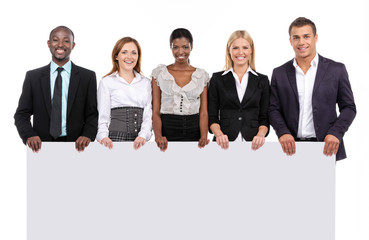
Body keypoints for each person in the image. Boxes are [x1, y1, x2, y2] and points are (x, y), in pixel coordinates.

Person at [269, 17, 356, 160]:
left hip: (324, 147)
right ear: (290, 41)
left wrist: (336, 133)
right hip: (289, 147)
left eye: (306, 36)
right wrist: (282, 132)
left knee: (321, 184)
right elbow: (273, 109)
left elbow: (349, 107)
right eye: (296, 37)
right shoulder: (279, 73)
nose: (301, 42)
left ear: (315, 38)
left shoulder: (336, 70)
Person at [14, 26, 98, 153]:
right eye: (55, 40)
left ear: (73, 45)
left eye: (66, 40)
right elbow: (21, 114)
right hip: (41, 146)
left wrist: (88, 135)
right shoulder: (33, 77)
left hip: (77, 146)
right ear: (49, 44)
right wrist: (29, 135)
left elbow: (92, 114)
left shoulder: (87, 77)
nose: (60, 44)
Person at [208, 30, 270, 150]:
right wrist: (219, 134)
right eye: (235, 48)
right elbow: (212, 116)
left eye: (245, 47)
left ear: (251, 50)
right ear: (229, 50)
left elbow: (264, 117)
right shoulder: (217, 79)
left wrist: (260, 135)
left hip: (254, 143)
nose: (240, 52)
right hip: (223, 143)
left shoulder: (262, 80)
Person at [151, 28, 210, 151]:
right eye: (175, 47)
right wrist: (158, 136)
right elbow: (155, 110)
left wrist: (204, 136)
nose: (180, 52)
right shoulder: (160, 74)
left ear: (191, 46)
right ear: (170, 47)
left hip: (194, 129)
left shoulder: (201, 75)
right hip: (167, 128)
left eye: (185, 47)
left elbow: (204, 111)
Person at [96, 37, 152, 150]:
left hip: (141, 140)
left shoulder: (146, 82)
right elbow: (102, 116)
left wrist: (143, 135)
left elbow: (148, 113)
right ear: (116, 56)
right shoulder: (106, 82)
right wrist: (103, 137)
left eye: (134, 53)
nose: (129, 57)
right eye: (124, 52)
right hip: (115, 139)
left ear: (138, 57)